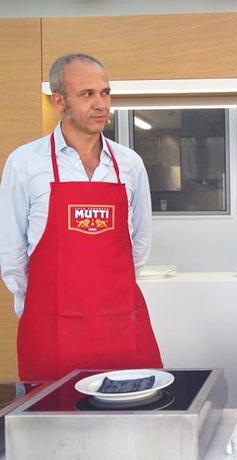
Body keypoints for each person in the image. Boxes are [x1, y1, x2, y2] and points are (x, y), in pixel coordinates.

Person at [0, 53, 163, 380]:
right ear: (59, 101)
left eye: (105, 93)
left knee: (129, 417)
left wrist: (114, 296)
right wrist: (36, 310)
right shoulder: (25, 163)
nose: (101, 104)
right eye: (87, 94)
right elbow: (11, 254)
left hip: (120, 327)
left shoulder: (129, 164)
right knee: (54, 422)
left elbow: (140, 244)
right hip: (52, 330)